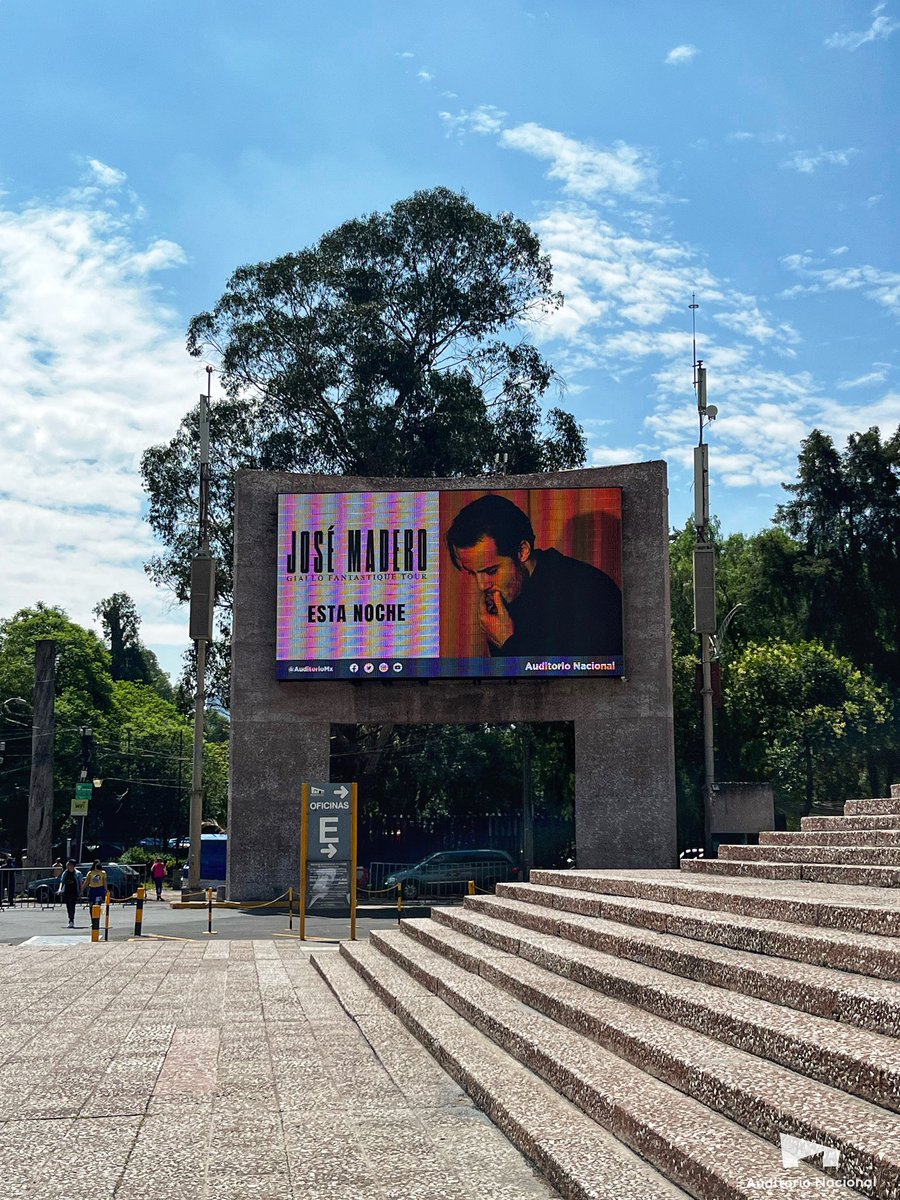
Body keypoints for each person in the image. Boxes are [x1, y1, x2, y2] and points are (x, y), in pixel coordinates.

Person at [445, 493, 623, 658]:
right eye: (472, 573)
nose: (482, 586)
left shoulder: (592, 592)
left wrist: (507, 642)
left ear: (522, 551)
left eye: (491, 571)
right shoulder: (508, 597)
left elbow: (582, 682)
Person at [57, 860, 83, 927]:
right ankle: (70, 919)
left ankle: (72, 920)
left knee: (72, 906)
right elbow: (62, 882)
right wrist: (60, 889)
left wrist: (81, 891)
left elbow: (80, 883)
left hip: (74, 891)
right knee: (68, 906)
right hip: (67, 891)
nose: (68, 866)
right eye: (68, 865)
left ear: (73, 866)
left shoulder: (78, 873)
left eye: (70, 865)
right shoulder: (65, 873)